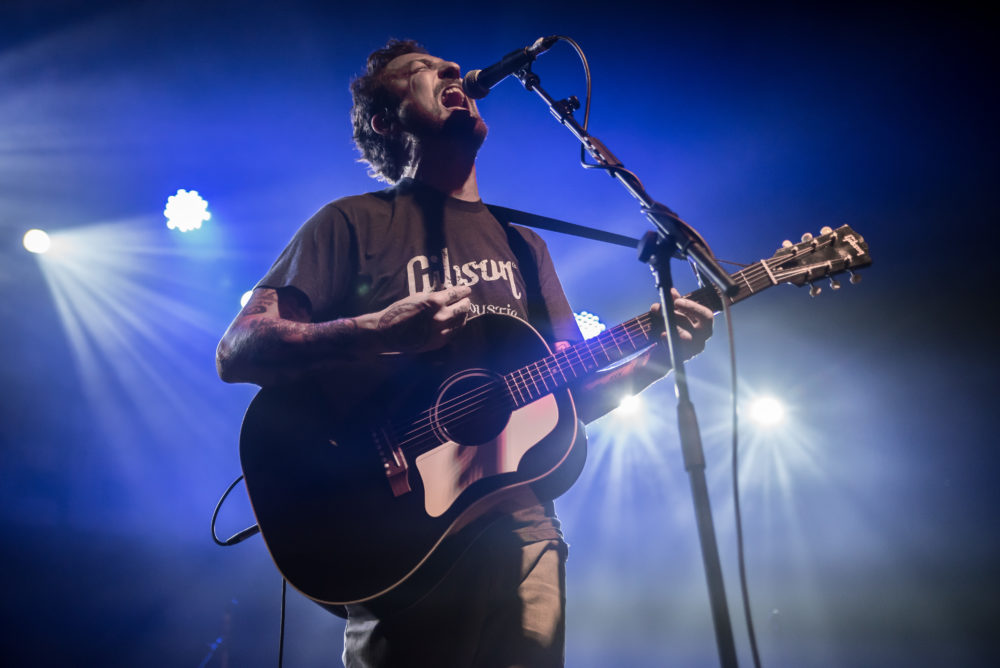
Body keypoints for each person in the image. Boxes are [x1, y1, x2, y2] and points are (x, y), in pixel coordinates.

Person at [216, 39, 714, 668]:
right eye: (421, 72)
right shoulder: (349, 223)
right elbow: (238, 350)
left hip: (523, 532)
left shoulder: (523, 244)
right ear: (384, 120)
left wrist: (657, 359)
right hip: (395, 539)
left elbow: (567, 397)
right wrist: (376, 331)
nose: (451, 70)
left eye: (449, 66)